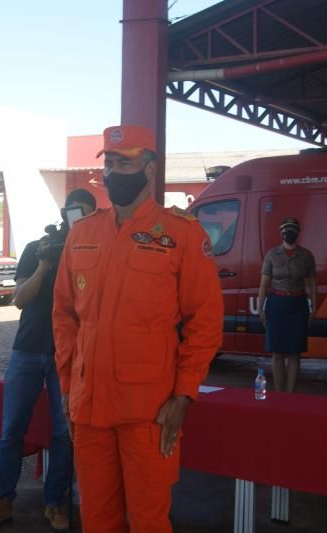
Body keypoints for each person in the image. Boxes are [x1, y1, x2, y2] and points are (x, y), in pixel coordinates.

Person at [52, 125, 223, 532]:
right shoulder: (83, 232)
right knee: (97, 519)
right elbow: (63, 316)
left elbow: (206, 321)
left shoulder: (181, 233)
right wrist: (66, 384)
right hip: (89, 407)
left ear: (148, 168)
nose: (113, 172)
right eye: (109, 163)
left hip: (149, 411)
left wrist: (185, 393)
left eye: (124, 163)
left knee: (148, 521)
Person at [0, 189, 96, 533]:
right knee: (11, 429)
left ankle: (55, 503)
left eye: (85, 216)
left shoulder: (91, 254)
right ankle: (2, 502)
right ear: (63, 213)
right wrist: (45, 263)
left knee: (63, 433)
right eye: (74, 214)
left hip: (68, 354)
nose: (77, 222)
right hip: (28, 349)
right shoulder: (35, 249)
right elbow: (19, 299)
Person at [257, 217, 317, 393]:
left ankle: (290, 395)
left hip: (298, 305)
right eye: (286, 229)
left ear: (298, 232)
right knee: (277, 352)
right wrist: (261, 308)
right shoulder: (272, 254)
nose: (289, 233)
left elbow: (312, 285)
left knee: (294, 352)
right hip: (276, 304)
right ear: (281, 232)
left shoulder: (306, 256)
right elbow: (264, 284)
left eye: (293, 229)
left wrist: (314, 308)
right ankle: (278, 394)